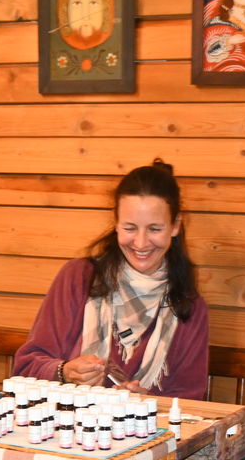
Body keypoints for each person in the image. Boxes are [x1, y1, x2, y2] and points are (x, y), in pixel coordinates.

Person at [13, 159, 208, 399]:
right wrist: (64, 371)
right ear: (115, 223)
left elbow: (190, 400)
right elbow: (25, 367)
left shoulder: (191, 307)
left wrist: (147, 401)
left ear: (175, 226)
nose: (141, 243)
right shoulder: (78, 277)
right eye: (130, 228)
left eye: (155, 229)